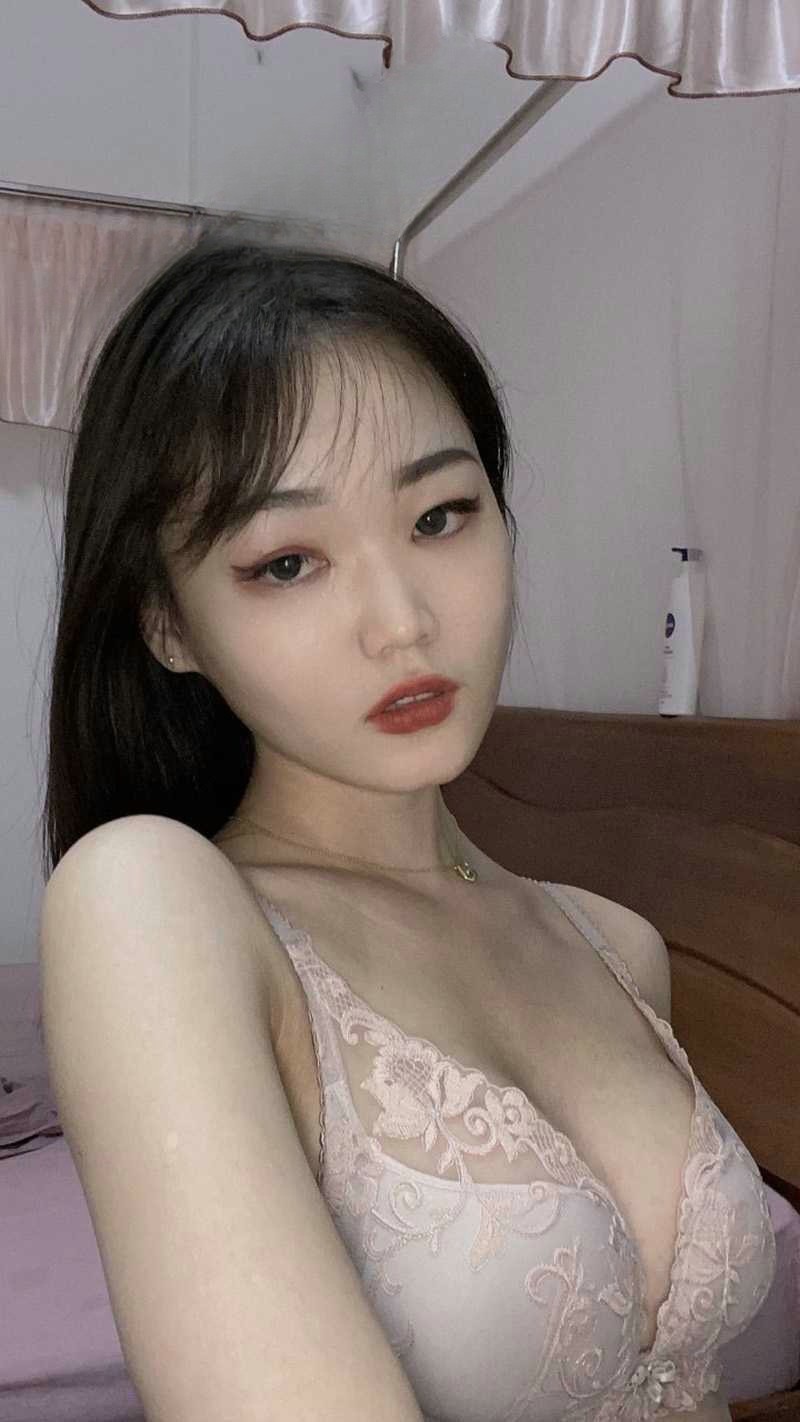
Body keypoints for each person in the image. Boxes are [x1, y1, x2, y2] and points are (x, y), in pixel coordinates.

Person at [39, 236, 775, 1422]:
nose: (400, 622)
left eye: (438, 516)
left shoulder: (613, 946)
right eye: (288, 563)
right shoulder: (155, 903)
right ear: (169, 625)